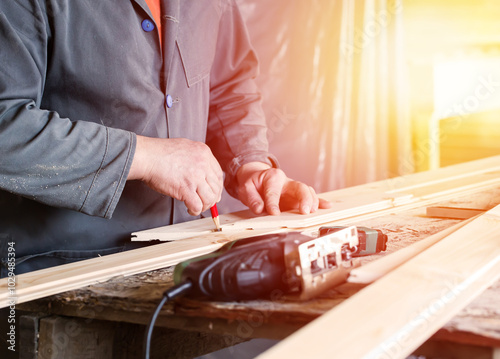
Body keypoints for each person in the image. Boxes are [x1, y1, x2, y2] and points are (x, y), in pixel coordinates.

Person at [0, 0, 330, 276]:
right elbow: (6, 131)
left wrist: (250, 165)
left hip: (186, 255)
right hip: (55, 272)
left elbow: (229, 85)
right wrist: (145, 157)